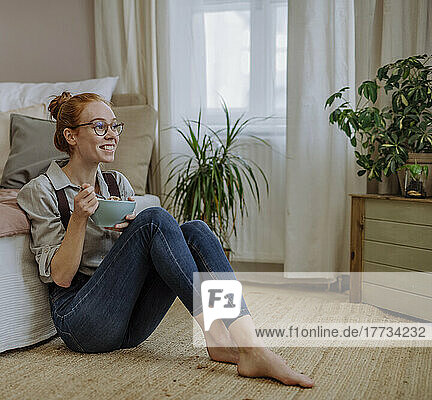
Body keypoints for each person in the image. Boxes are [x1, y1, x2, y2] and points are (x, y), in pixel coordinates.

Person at [17, 92, 314, 388]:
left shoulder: (116, 182)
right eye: (99, 127)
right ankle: (249, 349)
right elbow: (61, 277)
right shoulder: (41, 190)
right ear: (71, 135)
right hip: (82, 322)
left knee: (196, 230)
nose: (111, 135)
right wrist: (79, 219)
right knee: (155, 219)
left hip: (128, 323)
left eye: (114, 126)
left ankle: (232, 339)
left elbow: (123, 264)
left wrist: (130, 238)